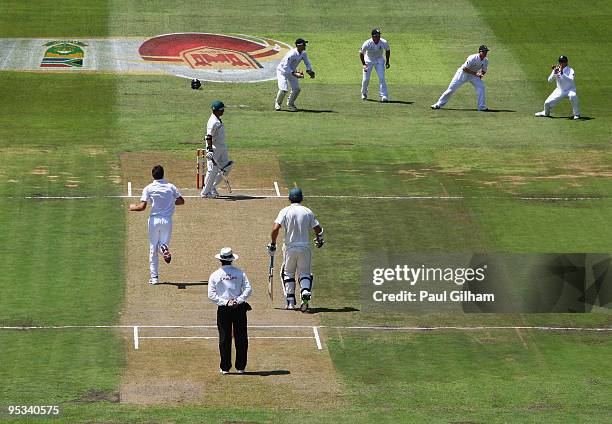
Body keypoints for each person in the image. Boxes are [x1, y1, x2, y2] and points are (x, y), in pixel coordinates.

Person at [267, 188, 324, 312]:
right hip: (305, 248)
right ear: (301, 198)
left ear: (289, 198)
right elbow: (318, 229)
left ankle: (291, 302)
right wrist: (320, 238)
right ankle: (305, 291)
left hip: (289, 248)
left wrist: (272, 243)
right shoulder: (307, 211)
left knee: (287, 273)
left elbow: (275, 229)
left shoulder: (285, 211)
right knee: (305, 273)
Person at [129, 165, 184, 285]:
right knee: (162, 245)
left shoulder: (149, 188)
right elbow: (181, 201)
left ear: (153, 175)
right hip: (167, 221)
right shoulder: (171, 187)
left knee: (153, 248)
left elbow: (142, 207)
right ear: (163, 174)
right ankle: (164, 248)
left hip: (154, 221)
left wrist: (132, 207)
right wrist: (170, 202)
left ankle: (154, 278)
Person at [208, 247, 252, 374]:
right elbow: (248, 290)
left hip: (224, 309)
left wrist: (226, 302)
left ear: (221, 260)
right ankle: (240, 367)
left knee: (224, 337)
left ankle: (225, 367)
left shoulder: (215, 275)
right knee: (241, 338)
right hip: (239, 309)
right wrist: (238, 301)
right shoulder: (240, 273)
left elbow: (212, 295)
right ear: (231, 259)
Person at [431, 45, 490, 111]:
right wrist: (476, 74)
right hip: (462, 74)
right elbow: (465, 69)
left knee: (481, 87)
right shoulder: (472, 57)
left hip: (473, 76)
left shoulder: (486, 60)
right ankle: (438, 104)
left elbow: (484, 71)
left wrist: (481, 75)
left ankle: (481, 107)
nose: (485, 53)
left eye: (486, 52)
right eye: (484, 52)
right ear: (480, 51)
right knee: (451, 90)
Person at [200, 100, 233, 198]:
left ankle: (212, 187)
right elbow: (208, 136)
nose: (223, 111)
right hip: (214, 148)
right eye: (221, 110)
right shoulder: (212, 122)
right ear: (216, 111)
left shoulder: (217, 118)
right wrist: (209, 150)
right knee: (213, 170)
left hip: (222, 147)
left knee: (227, 167)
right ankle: (205, 192)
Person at [274, 38, 315, 112]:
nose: (305, 46)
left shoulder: (303, 53)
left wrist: (309, 70)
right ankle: (278, 104)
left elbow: (307, 62)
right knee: (283, 89)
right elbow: (285, 66)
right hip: (282, 71)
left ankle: (290, 104)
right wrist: (295, 73)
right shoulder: (291, 54)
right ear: (299, 46)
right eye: (304, 45)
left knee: (296, 89)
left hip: (292, 71)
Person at [535, 55, 580, 119]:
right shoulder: (556, 69)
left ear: (566, 62)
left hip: (570, 90)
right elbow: (549, 80)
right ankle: (545, 113)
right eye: (560, 61)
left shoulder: (570, 70)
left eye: (563, 61)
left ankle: (577, 114)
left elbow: (571, 80)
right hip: (559, 90)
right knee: (547, 103)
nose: (561, 63)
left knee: (573, 96)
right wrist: (554, 73)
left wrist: (562, 73)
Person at [360, 28, 391, 101]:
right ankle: (364, 93)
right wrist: (364, 64)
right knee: (366, 79)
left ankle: (384, 95)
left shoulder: (383, 42)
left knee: (382, 78)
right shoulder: (367, 43)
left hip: (379, 60)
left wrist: (387, 62)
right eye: (376, 36)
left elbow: (388, 50)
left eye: (379, 36)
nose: (378, 37)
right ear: (372, 37)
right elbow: (361, 53)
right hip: (368, 61)